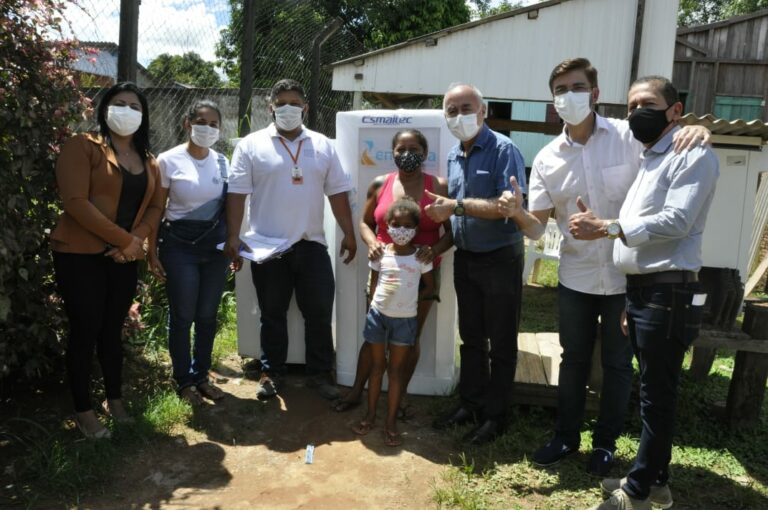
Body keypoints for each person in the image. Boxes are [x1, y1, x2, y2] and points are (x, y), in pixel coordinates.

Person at [498, 58, 711, 477]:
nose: (569, 96)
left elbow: (671, 142)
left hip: (625, 278)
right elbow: (537, 228)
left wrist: (697, 128)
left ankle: (606, 444)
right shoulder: (547, 158)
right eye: (560, 90)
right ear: (553, 101)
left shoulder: (628, 136)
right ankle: (566, 437)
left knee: (617, 364)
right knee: (573, 359)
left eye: (577, 87)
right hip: (576, 275)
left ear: (595, 93)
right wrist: (516, 212)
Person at [566, 76, 719, 510]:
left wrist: (607, 227)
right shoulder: (651, 157)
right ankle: (657, 482)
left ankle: (636, 492)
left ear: (675, 110)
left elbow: (677, 221)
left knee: (657, 395)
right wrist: (631, 296)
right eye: (631, 105)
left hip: (668, 293)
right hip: (645, 293)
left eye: (647, 103)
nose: (636, 113)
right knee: (653, 392)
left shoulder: (692, 154)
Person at [224, 78, 356, 400]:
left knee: (319, 313)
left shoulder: (323, 145)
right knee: (272, 314)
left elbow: (338, 193)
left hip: (312, 244)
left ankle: (320, 373)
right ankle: (271, 373)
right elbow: (237, 195)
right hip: (268, 247)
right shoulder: (251, 145)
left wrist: (349, 233)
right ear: (270, 107)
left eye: (295, 103)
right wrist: (233, 237)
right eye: (281, 103)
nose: (288, 109)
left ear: (305, 108)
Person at [51, 82, 164, 438]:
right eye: (119, 103)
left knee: (112, 330)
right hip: (79, 255)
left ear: (144, 116)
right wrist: (126, 241)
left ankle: (114, 400)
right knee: (85, 330)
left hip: (123, 258)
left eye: (135, 106)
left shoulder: (149, 160)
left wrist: (136, 240)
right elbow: (75, 202)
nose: (127, 111)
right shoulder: (83, 146)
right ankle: (83, 411)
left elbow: (156, 206)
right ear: (104, 108)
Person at [425, 83, 527, 445]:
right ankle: (471, 403)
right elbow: (457, 214)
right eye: (451, 111)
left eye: (466, 108)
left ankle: (496, 416)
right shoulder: (454, 155)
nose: (459, 116)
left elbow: (506, 207)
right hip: (466, 257)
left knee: (501, 341)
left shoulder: (503, 150)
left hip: (500, 258)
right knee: (470, 337)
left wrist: (455, 206)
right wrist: (438, 244)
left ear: (483, 111)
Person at [332, 129, 453, 417]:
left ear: (425, 153)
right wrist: (372, 242)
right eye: (401, 149)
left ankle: (401, 397)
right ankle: (356, 391)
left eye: (414, 149)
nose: (407, 154)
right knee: (374, 335)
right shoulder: (380, 183)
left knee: (410, 337)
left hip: (421, 277)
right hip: (383, 273)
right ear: (393, 152)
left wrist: (434, 250)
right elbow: (365, 223)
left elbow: (452, 232)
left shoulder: (438, 186)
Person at [148, 100, 230, 405]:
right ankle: (184, 381)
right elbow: (157, 209)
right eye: (201, 122)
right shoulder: (168, 160)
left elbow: (230, 207)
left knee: (207, 315)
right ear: (187, 124)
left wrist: (234, 243)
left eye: (213, 124)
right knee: (183, 315)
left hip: (215, 248)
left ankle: (201, 376)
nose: (207, 129)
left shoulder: (223, 162)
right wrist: (151, 250)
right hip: (179, 247)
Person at [351, 197, 435, 446]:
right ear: (387, 225)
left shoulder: (421, 258)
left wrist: (409, 303)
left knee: (396, 372)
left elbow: (430, 287)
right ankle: (370, 416)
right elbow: (373, 283)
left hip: (405, 321)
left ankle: (390, 423)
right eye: (396, 225)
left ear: (416, 228)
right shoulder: (380, 253)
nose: (401, 230)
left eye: (408, 226)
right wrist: (372, 307)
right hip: (377, 317)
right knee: (377, 368)